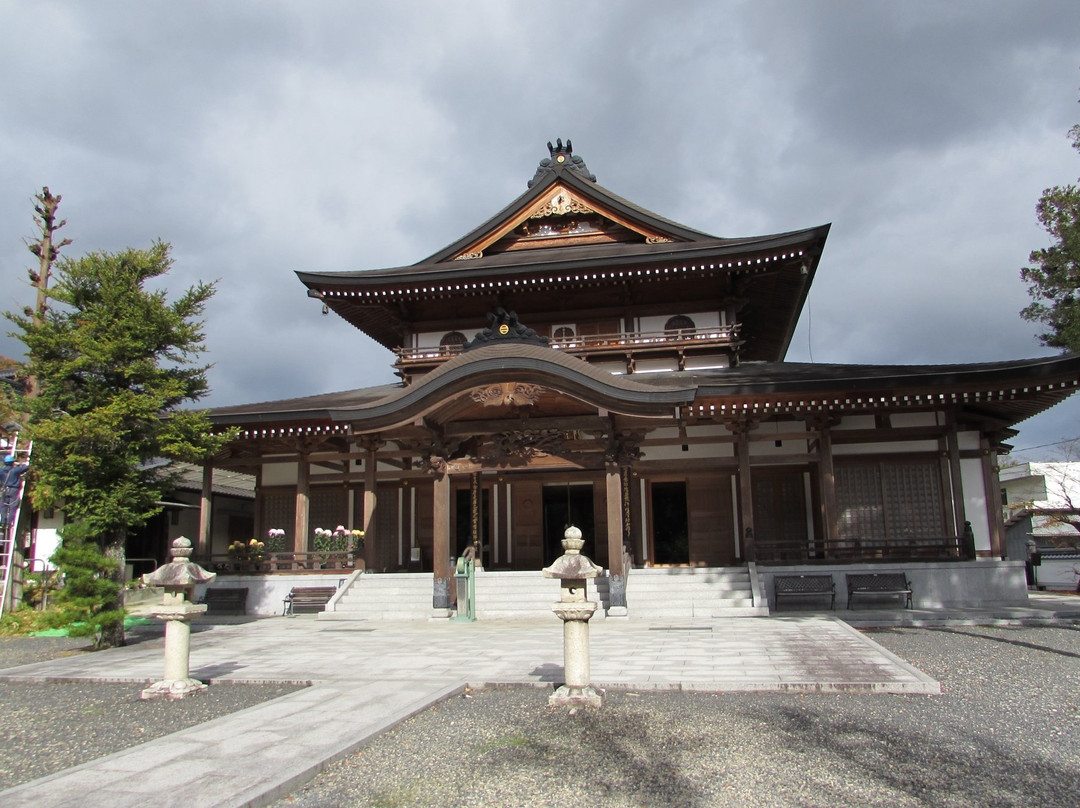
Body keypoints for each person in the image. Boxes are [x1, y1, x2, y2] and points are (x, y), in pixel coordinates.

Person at [0, 454, 29, 528]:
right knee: (13, 506)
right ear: (12, 462)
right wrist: (20, 464)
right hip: (14, 490)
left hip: (4, 490)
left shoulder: (1, 471)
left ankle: (3, 521)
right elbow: (26, 467)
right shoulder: (15, 470)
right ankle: (9, 522)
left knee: (3, 506)